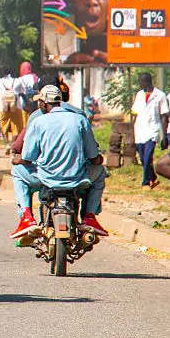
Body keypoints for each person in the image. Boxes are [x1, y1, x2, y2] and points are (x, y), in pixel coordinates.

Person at [9, 85, 108, 239]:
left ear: (43, 103)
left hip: (46, 178)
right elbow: (93, 156)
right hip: (77, 178)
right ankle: (89, 217)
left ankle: (27, 217)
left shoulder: (38, 121)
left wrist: (17, 159)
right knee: (100, 172)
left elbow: (28, 158)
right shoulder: (80, 119)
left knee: (17, 172)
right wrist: (98, 159)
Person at [131, 72, 169, 190]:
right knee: (142, 157)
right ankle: (152, 176)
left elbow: (164, 116)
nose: (139, 84)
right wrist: (132, 132)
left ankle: (145, 182)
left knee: (148, 156)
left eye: (140, 82)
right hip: (140, 129)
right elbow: (135, 114)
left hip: (153, 129)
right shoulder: (139, 95)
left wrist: (164, 135)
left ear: (146, 82)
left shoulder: (160, 95)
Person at [0, 68, 22, 149]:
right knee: (15, 127)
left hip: (3, 107)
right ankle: (13, 144)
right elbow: (21, 92)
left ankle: (7, 144)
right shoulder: (17, 81)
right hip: (15, 107)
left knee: (3, 126)